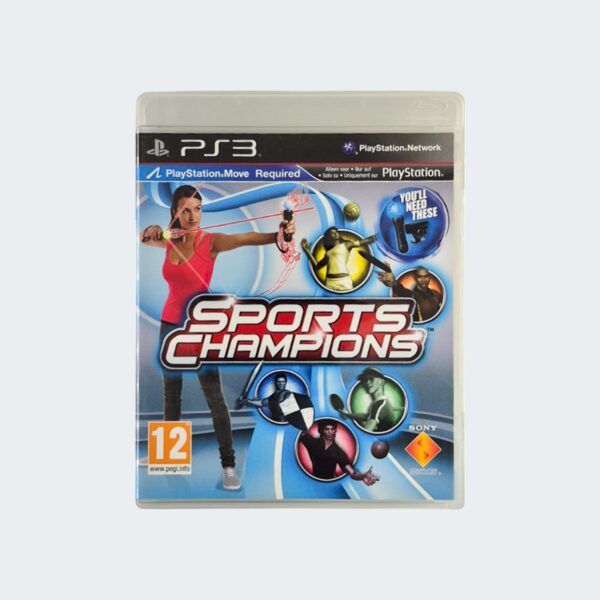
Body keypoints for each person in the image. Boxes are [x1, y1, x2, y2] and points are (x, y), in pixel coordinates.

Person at [140, 185, 295, 490]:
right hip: (170, 324)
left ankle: (228, 466)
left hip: (201, 326)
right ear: (175, 213)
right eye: (186, 210)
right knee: (171, 392)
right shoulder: (171, 241)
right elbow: (144, 238)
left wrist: (280, 235)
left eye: (198, 209)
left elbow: (247, 238)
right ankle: (168, 454)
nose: (193, 216)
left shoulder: (211, 241)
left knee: (214, 397)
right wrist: (152, 230)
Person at [299, 420, 379, 484]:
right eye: (327, 429)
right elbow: (300, 433)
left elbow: (352, 473)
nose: (330, 432)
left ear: (335, 430)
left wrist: (362, 476)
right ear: (322, 430)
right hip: (313, 481)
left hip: (329, 483)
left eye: (332, 429)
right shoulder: (312, 442)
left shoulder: (338, 453)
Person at [301, 227, 375, 292]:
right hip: (329, 283)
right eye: (332, 233)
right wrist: (307, 250)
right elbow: (317, 266)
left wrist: (377, 236)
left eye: (336, 232)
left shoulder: (346, 245)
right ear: (329, 236)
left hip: (344, 281)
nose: (336, 233)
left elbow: (365, 241)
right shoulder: (328, 253)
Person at [334, 367, 396, 432]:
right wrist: (348, 415)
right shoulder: (380, 402)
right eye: (365, 380)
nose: (367, 382)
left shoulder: (379, 405)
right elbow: (368, 416)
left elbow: (366, 432)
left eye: (371, 379)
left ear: (381, 382)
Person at [377, 266, 443, 322]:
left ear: (429, 277)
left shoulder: (436, 294)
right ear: (415, 278)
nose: (423, 279)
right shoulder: (411, 296)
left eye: (426, 276)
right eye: (420, 277)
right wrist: (394, 282)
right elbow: (402, 291)